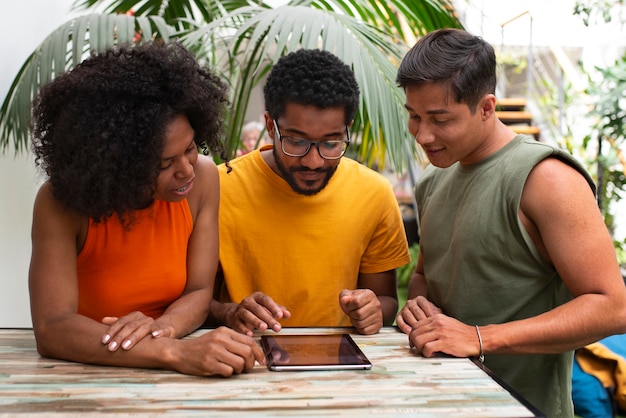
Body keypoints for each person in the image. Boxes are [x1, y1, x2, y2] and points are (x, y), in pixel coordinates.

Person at [394, 28, 626, 417]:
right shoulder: (433, 181)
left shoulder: (546, 178)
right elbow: (427, 277)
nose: (423, 134)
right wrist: (418, 306)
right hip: (438, 402)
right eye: (414, 116)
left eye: (440, 119)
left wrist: (479, 338)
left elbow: (612, 307)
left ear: (486, 107)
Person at [28, 41, 264, 377]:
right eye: (165, 163)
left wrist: (162, 329)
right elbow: (53, 327)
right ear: (116, 167)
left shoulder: (204, 179)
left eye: (191, 147)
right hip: (88, 374)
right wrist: (169, 351)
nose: (186, 170)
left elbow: (199, 291)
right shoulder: (60, 204)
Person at [206, 49, 411, 336]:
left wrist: (371, 311)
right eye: (296, 141)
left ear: (346, 130)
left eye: (330, 143)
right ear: (269, 125)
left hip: (341, 367)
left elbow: (386, 301)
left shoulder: (374, 193)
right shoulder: (218, 187)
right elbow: (196, 300)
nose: (313, 161)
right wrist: (230, 312)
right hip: (244, 360)